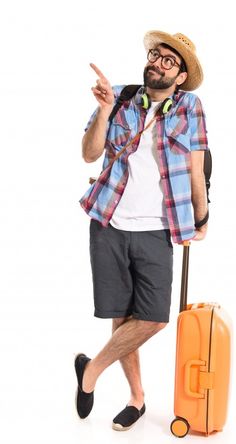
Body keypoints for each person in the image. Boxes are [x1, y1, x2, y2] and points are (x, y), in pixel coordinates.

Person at [75, 30, 209, 431]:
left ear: (181, 75)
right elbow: (89, 153)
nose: (158, 62)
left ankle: (90, 371)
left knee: (152, 318)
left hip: (157, 228)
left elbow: (196, 169)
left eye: (170, 60)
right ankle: (136, 398)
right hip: (109, 223)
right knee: (120, 317)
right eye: (156, 54)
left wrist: (200, 219)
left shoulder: (191, 107)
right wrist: (102, 111)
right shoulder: (117, 97)